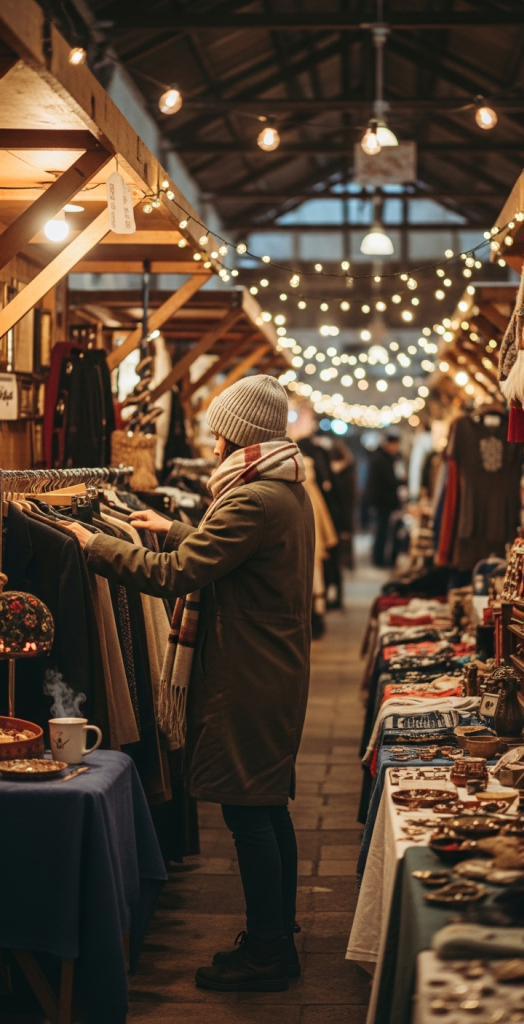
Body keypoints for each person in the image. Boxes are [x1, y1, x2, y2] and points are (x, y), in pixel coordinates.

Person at [63, 374, 315, 993]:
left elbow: (177, 576)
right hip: (269, 668)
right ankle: (275, 933)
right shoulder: (282, 488)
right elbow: (219, 554)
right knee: (265, 806)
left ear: (239, 432)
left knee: (248, 813)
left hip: (248, 674)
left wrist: (97, 545)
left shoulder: (251, 498)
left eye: (219, 429)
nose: (213, 440)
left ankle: (267, 952)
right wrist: (167, 526)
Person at [364, 430, 401, 567]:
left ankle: (379, 559)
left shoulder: (383, 457)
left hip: (382, 502)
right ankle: (378, 560)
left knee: (382, 531)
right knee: (381, 531)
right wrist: (400, 481)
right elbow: (387, 481)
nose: (396, 448)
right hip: (382, 503)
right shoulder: (381, 459)